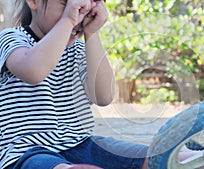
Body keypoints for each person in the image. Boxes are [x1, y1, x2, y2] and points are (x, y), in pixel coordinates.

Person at [0, 0, 149, 168]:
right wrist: (67, 20)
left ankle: (175, 157)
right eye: (68, 5)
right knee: (45, 164)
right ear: (34, 2)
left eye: (85, 9)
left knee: (139, 156)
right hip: (26, 151)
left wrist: (92, 34)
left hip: (79, 143)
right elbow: (33, 71)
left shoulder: (79, 49)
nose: (78, 16)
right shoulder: (13, 38)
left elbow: (103, 96)